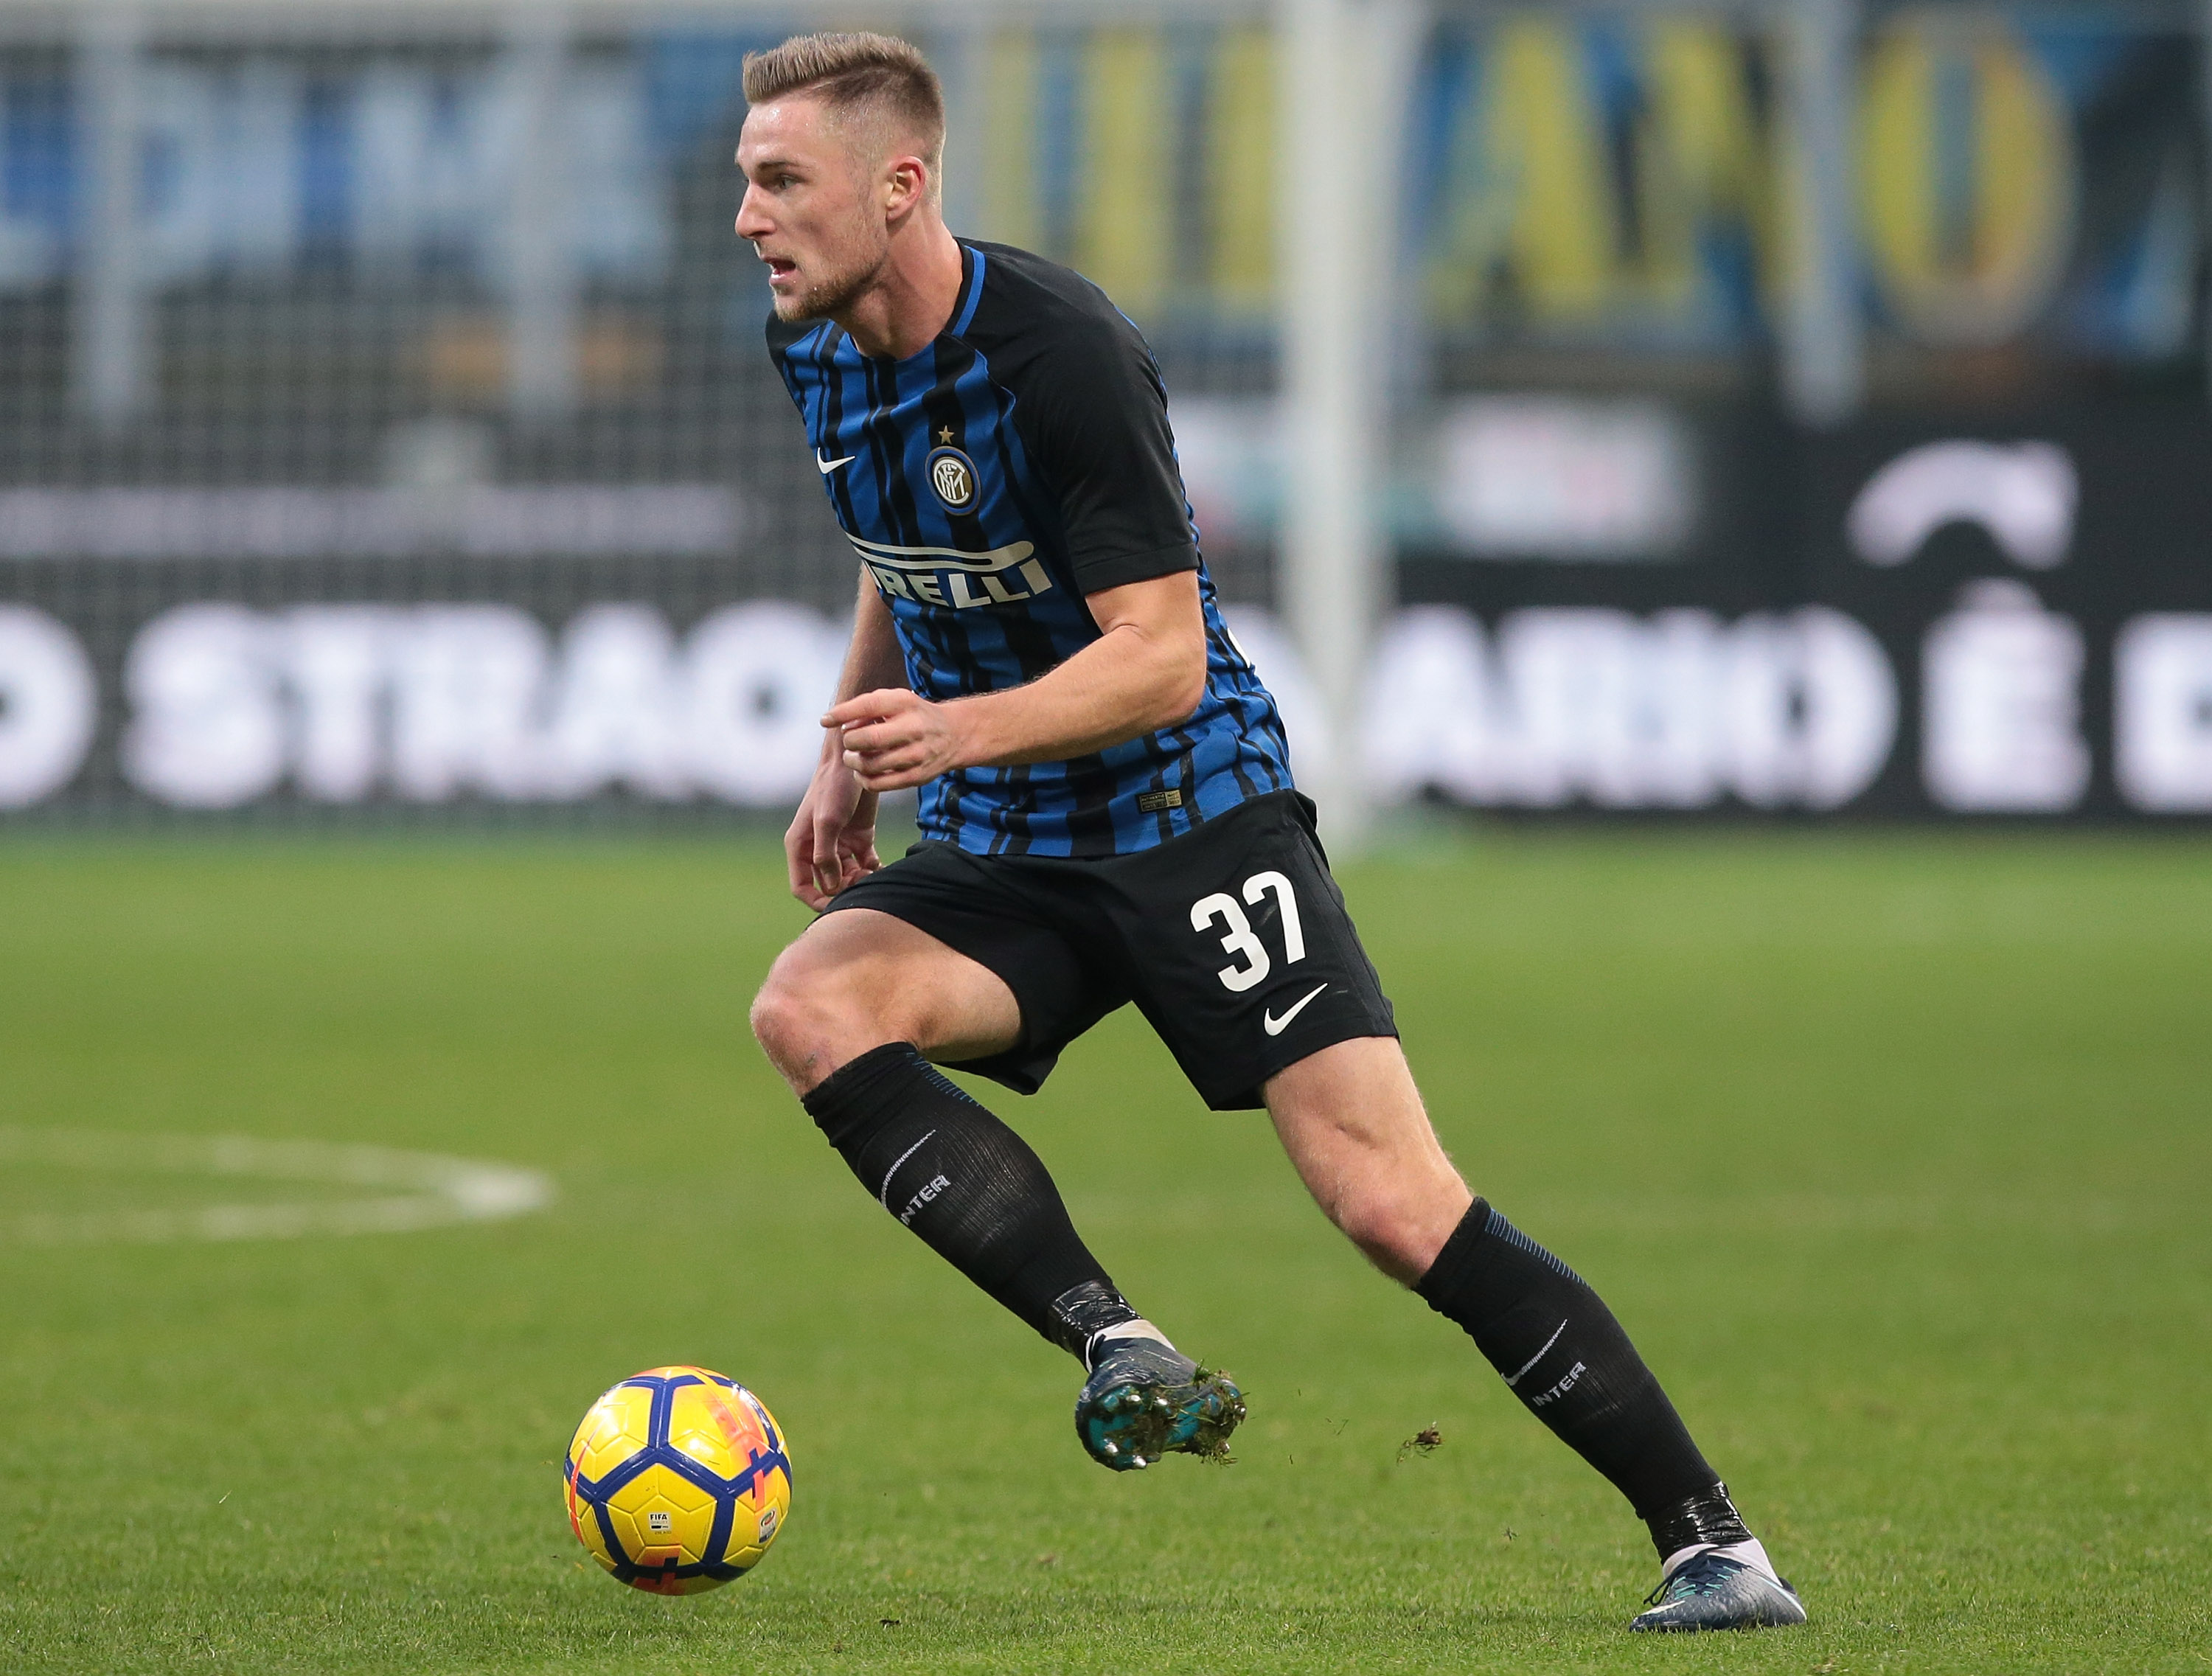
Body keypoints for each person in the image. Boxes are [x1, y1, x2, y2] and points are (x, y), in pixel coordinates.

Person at [734, 30, 1805, 1634]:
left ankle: (1713, 1543)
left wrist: (949, 733)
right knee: (813, 1006)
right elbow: (899, 540)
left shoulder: (1061, 352)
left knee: (1391, 1202)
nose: (748, 217)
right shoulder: (813, 342)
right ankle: (1118, 1342)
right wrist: (847, 755)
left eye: (779, 181)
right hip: (1014, 831)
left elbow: (1163, 660)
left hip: (1191, 818)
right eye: (745, 181)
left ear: (899, 186)